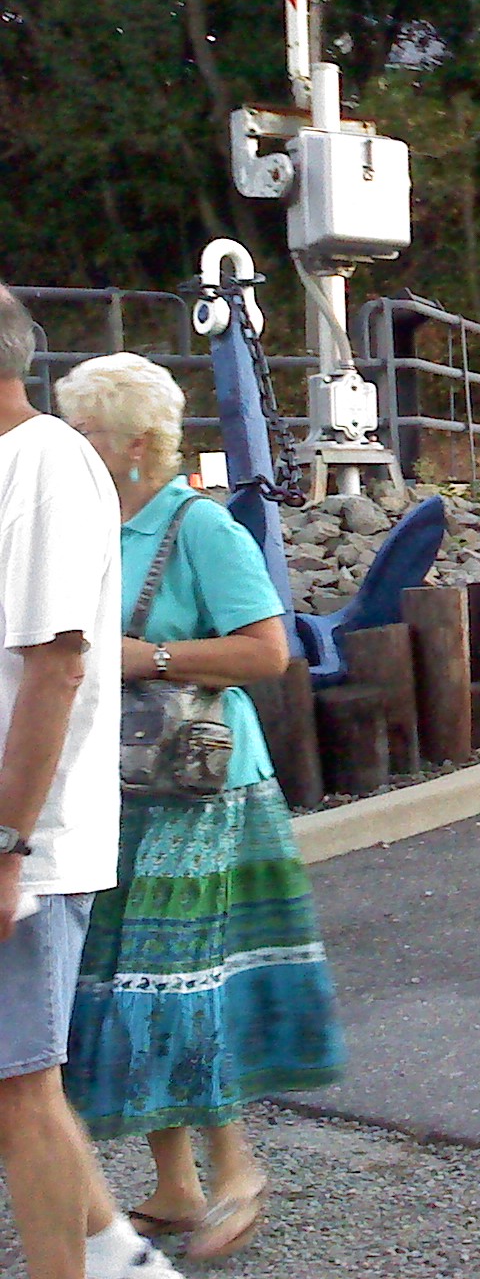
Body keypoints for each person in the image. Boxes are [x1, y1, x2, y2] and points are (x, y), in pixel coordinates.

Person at [54, 353, 344, 1265]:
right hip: (114, 788)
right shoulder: (87, 523)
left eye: (86, 432)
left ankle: (236, 1169)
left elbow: (269, 652)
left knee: (173, 982)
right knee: (130, 982)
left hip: (199, 792)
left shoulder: (201, 526)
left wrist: (150, 658)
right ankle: (177, 1186)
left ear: (137, 443)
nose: (73, 447)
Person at [0, 292, 185, 1279]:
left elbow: (57, 666)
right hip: (19, 837)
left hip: (28, 839)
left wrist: (7, 845)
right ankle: (116, 1253)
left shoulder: (43, 465)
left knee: (20, 1087)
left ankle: (95, 1262)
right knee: (14, 1084)